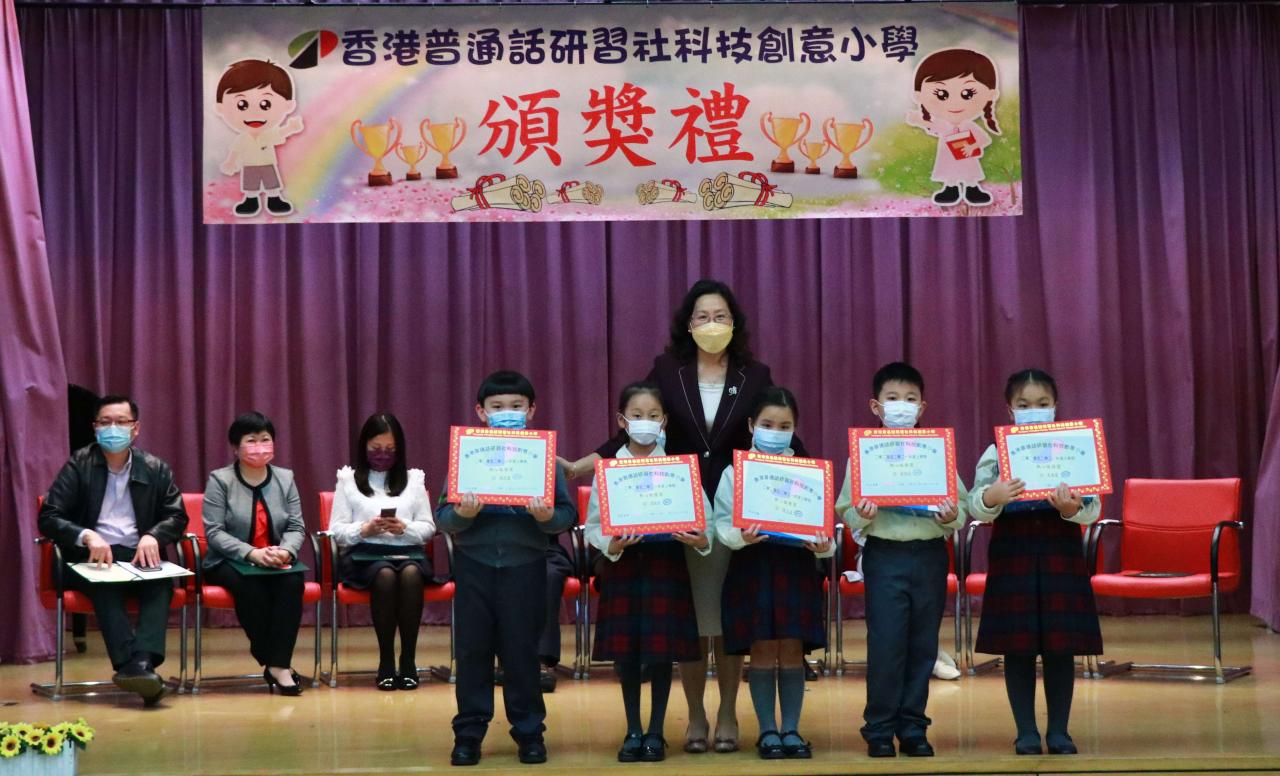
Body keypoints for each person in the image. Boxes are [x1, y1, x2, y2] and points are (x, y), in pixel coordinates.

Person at [562, 279, 807, 754]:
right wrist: (580, 466)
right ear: (688, 324)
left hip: (736, 515)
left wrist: (811, 491)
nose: (712, 324)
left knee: (728, 619)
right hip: (678, 514)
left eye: (720, 316)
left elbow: (783, 434)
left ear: (734, 323)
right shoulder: (666, 370)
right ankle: (695, 714)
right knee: (693, 620)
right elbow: (638, 426)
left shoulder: (755, 374)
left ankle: (729, 712)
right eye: (702, 316)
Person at [437, 370, 577, 767]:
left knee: (522, 653)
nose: (507, 413)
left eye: (516, 406)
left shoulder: (544, 459)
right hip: (474, 565)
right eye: (497, 407)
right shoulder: (466, 454)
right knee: (473, 652)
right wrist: (462, 515)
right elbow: (443, 516)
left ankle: (530, 733)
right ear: (481, 412)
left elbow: (566, 515)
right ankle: (468, 734)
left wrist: (547, 517)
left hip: (525, 565)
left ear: (531, 410)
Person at [969, 369, 1102, 755]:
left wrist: (1072, 509)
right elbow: (974, 503)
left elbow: (1093, 507)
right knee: (1019, 646)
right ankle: (1025, 731)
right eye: (1024, 404)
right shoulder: (995, 451)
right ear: (1009, 409)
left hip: (1061, 554)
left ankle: (1059, 731)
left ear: (1055, 405)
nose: (1034, 410)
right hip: (1014, 555)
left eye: (1042, 403)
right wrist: (992, 497)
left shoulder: (1075, 446)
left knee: (1061, 646)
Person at [835, 362, 964, 758]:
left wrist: (949, 515)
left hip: (929, 556)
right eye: (893, 398)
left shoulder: (936, 452)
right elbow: (846, 510)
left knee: (923, 646)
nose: (901, 406)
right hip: (885, 555)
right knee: (886, 645)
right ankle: (878, 729)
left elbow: (960, 509)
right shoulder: (863, 455)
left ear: (922, 407)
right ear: (876, 407)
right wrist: (863, 514)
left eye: (910, 399)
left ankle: (913, 727)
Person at [584, 382, 712, 763]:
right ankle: (633, 729)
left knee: (661, 653)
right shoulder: (609, 470)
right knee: (626, 655)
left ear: (664, 422)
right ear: (622, 421)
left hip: (666, 566)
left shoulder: (680, 468)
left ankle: (656, 731)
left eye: (653, 416)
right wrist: (611, 545)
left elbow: (704, 521)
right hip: (624, 568)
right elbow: (593, 526)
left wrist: (699, 538)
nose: (645, 422)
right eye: (637, 415)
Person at [37, 394, 187, 706]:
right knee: (103, 583)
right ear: (95, 428)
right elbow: (48, 517)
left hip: (136, 554)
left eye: (121, 422)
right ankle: (137, 667)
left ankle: (139, 664)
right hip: (88, 557)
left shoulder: (155, 468)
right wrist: (86, 535)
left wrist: (154, 535)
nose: (113, 428)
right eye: (105, 423)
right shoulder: (79, 464)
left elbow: (177, 516)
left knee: (161, 583)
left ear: (135, 428)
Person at [712, 387, 834, 760]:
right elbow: (721, 524)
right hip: (753, 565)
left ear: (794, 429)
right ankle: (768, 730)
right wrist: (742, 536)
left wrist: (822, 545)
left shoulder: (809, 472)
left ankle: (791, 729)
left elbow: (826, 533)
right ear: (751, 425)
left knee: (793, 648)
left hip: (796, 567)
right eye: (767, 424)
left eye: (784, 426)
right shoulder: (735, 472)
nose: (775, 432)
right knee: (762, 647)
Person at [201, 411, 307, 696]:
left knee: (292, 583)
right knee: (251, 587)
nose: (259, 446)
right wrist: (251, 554)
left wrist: (286, 551)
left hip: (274, 559)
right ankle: (277, 663)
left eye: (265, 439)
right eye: (251, 440)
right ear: (236, 447)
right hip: (228, 560)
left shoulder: (285, 478)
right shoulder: (220, 480)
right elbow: (214, 532)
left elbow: (296, 526)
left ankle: (277, 664)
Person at [329, 411, 435, 690]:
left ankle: (408, 660)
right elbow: (336, 530)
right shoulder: (349, 481)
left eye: (390, 449)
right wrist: (364, 529)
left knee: (411, 574)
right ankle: (386, 660)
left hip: (408, 552)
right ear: (364, 446)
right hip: (364, 555)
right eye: (376, 448)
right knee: (385, 575)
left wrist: (404, 528)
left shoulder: (413, 480)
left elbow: (428, 527)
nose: (382, 454)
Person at [905, 48, 1002, 207]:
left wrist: (972, 147)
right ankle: (951, 190)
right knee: (949, 174)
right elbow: (931, 125)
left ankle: (972, 190)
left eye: (968, 94)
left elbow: (985, 139)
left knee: (970, 175)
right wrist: (918, 120)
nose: (955, 103)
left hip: (967, 156)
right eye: (941, 94)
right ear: (918, 96)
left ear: (991, 94)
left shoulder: (968, 125)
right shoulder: (944, 124)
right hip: (948, 157)